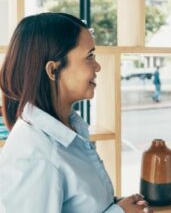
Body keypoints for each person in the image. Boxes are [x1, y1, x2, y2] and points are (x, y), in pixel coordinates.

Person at [0, 13, 151, 213]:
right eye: (89, 56)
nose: (98, 66)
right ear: (53, 70)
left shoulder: (70, 130)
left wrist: (113, 204)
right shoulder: (35, 157)